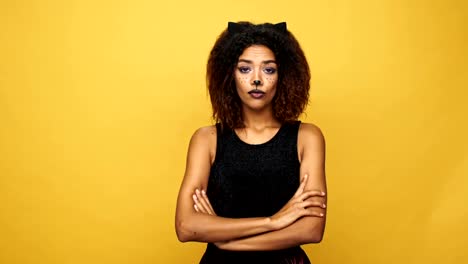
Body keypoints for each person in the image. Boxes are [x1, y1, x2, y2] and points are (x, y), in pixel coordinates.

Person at [175, 21, 327, 263]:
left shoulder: (307, 137)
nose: (256, 80)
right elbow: (185, 226)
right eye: (245, 69)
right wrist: (273, 221)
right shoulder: (207, 140)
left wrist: (225, 240)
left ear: (284, 76)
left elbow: (311, 229)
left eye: (269, 70)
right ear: (229, 75)